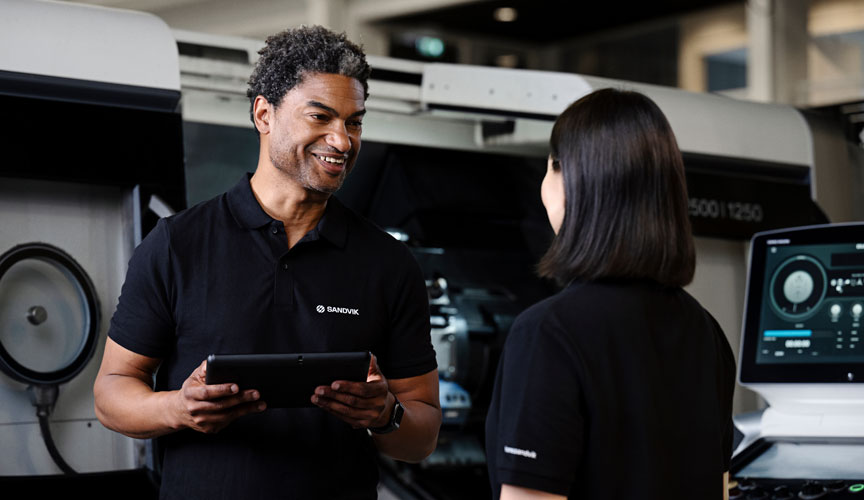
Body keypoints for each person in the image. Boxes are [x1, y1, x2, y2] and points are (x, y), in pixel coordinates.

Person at [93, 25, 441, 499]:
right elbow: (112, 392)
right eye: (320, 117)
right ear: (264, 113)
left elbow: (422, 435)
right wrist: (179, 407)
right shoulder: (178, 244)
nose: (342, 141)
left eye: (354, 121)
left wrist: (385, 415)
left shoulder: (388, 263)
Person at [484, 88, 736, 500]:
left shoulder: (548, 333)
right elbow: (720, 488)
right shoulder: (706, 331)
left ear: (570, 181)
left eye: (550, 167)